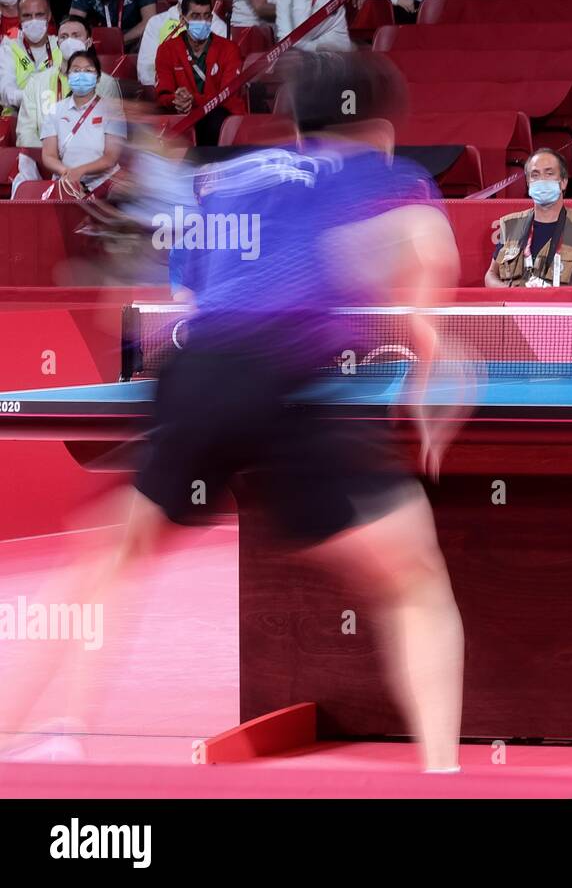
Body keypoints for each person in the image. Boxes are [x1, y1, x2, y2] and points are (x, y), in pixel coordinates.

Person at [1, 52, 466, 773]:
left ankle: (46, 726)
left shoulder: (223, 176)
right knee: (414, 581)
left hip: (200, 374)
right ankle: (444, 774)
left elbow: (172, 283)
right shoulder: (387, 175)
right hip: (290, 384)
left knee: (110, 554)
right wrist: (431, 355)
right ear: (377, 128)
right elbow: (426, 257)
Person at [12, 18, 122, 189]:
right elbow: (27, 135)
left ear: (89, 41)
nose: (69, 41)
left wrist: (78, 170)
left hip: (97, 174)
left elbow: (111, 153)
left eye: (75, 35)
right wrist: (59, 165)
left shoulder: (107, 85)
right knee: (22, 177)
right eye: (63, 36)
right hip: (51, 167)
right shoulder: (40, 87)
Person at [485, 148, 572, 287]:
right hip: (514, 307)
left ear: (564, 182)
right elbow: (491, 275)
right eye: (535, 175)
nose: (541, 180)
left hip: (559, 307)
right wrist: (512, 294)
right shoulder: (510, 225)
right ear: (528, 183)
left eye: (549, 174)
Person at [155, 0, 247, 146]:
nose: (202, 21)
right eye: (195, 16)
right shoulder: (166, 50)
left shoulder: (229, 49)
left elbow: (226, 98)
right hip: (183, 114)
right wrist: (177, 99)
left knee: (214, 118)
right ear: (183, 20)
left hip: (219, 117)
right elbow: (163, 95)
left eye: (206, 16)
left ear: (211, 18)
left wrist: (193, 99)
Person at [38, 49, 127, 198]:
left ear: (98, 77)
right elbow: (49, 155)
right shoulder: (55, 110)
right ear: (68, 76)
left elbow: (110, 157)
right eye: (76, 70)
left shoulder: (113, 110)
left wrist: (80, 171)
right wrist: (67, 173)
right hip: (67, 185)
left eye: (88, 70)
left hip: (105, 186)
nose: (81, 74)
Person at [138, 0, 231, 87]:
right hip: (165, 95)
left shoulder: (217, 26)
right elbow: (146, 70)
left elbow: (224, 69)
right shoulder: (156, 23)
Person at [0, 0, 56, 116]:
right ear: (19, 18)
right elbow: (6, 92)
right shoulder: (8, 47)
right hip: (17, 116)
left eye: (39, 15)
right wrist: (40, 98)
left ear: (49, 16)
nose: (33, 21)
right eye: (27, 16)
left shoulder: (60, 46)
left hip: (55, 117)